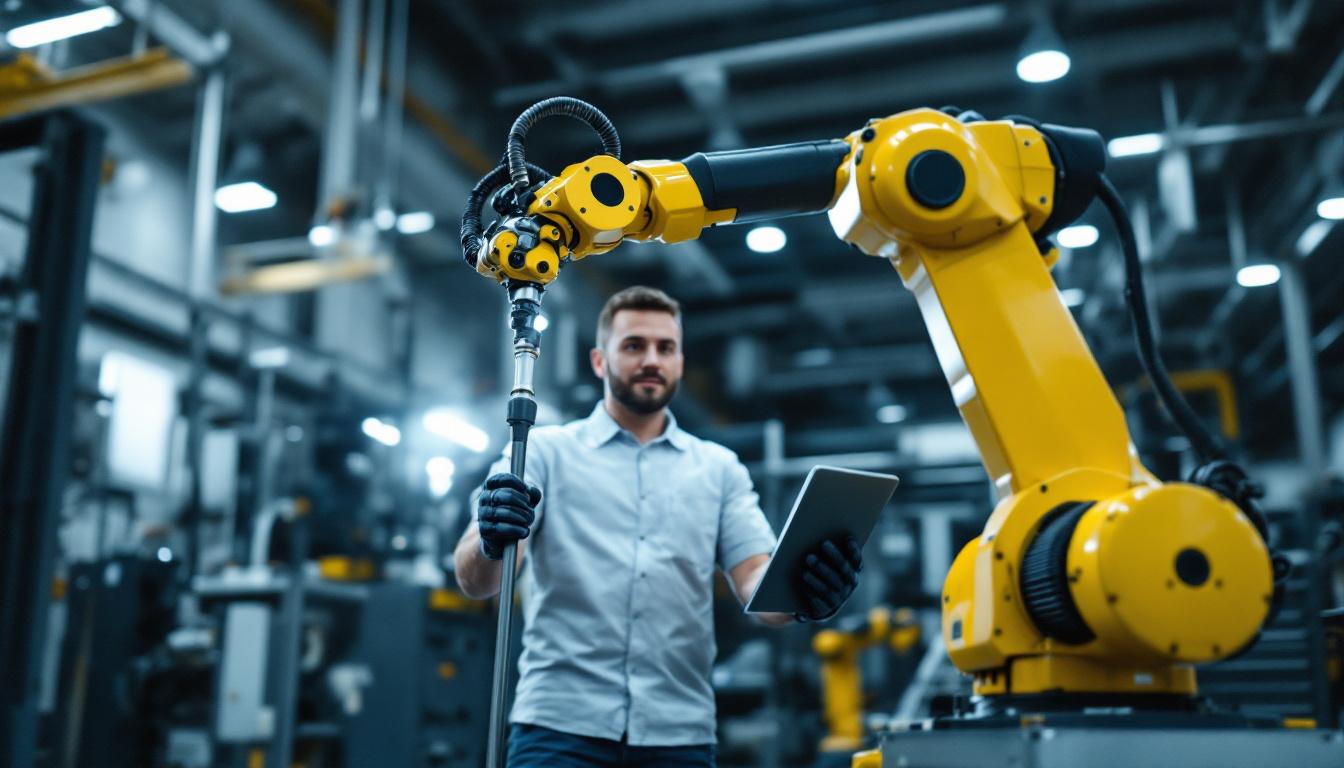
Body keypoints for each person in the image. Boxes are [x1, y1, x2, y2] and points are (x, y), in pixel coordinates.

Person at [454, 286, 864, 768]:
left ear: (680, 361)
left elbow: (755, 579)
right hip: (559, 729)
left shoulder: (719, 468)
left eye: (665, 347)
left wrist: (804, 590)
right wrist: (489, 537)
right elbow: (479, 581)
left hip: (678, 732)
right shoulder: (544, 452)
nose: (652, 359)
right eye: (633, 345)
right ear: (599, 360)